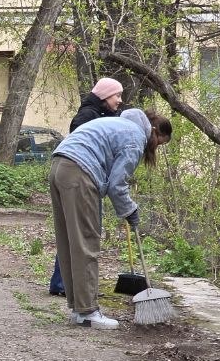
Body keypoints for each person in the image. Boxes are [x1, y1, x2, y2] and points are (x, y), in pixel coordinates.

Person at [49, 108, 172, 329]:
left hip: (59, 165)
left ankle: (79, 309)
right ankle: (87, 312)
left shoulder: (117, 124)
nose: (155, 148)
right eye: (159, 143)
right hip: (79, 171)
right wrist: (130, 210)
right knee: (86, 242)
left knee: (70, 241)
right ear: (154, 132)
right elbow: (117, 185)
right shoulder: (136, 137)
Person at [49, 77, 126, 296]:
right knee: (78, 236)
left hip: (89, 178)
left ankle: (64, 284)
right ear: (104, 95)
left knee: (77, 235)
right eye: (116, 95)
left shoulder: (103, 116)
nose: (120, 100)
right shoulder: (86, 117)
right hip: (80, 178)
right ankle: (63, 284)